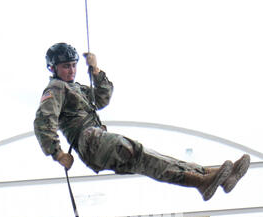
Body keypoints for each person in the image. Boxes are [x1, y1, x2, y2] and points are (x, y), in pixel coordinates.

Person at [34, 42, 250, 202]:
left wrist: (96, 72)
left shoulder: (76, 88)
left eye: (73, 65)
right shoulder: (56, 88)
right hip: (91, 140)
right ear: (53, 68)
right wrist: (57, 153)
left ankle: (210, 177)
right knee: (143, 156)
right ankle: (204, 179)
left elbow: (101, 99)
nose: (71, 70)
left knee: (150, 161)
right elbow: (43, 122)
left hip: (96, 143)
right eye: (65, 66)